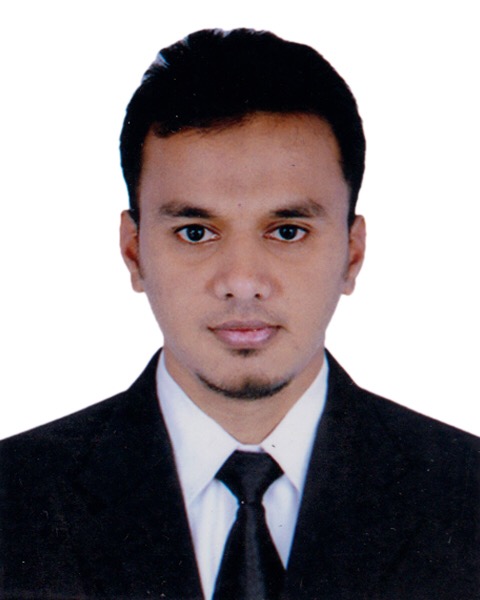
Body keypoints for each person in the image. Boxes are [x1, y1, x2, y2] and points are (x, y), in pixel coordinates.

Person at [1, 28, 478, 600]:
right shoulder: (14, 499)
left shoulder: (465, 496)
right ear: (134, 252)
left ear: (352, 254)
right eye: (195, 232)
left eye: (287, 231)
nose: (243, 282)